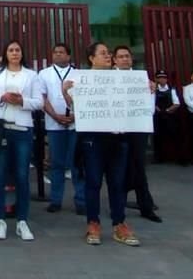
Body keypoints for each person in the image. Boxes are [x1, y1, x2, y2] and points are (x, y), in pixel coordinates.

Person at [61, 42, 140, 246]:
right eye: (103, 53)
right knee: (93, 182)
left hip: (118, 137)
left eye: (109, 53)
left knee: (118, 183)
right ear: (91, 58)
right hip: (93, 139)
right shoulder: (80, 79)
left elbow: (135, 100)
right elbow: (72, 104)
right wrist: (65, 92)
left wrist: (146, 89)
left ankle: (119, 224)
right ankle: (93, 223)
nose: (108, 56)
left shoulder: (123, 78)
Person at [0, 40, 43, 241]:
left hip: (22, 130)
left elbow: (39, 102)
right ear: (5, 53)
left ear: (22, 53)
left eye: (17, 50)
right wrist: (2, 97)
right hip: (0, 129)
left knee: (21, 175)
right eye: (10, 50)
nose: (14, 53)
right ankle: (0, 220)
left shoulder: (32, 75)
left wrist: (22, 101)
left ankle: (22, 221)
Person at [113, 46, 160, 223]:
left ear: (131, 59)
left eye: (127, 56)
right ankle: (118, 206)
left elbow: (149, 108)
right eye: (120, 57)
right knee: (118, 168)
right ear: (115, 61)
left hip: (138, 128)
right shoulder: (108, 79)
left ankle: (146, 206)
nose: (124, 59)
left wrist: (151, 91)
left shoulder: (143, 80)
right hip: (117, 129)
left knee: (139, 167)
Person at [38, 42, 85, 214]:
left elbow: (84, 98)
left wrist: (76, 115)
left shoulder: (78, 74)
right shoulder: (44, 74)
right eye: (55, 52)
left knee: (77, 163)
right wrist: (55, 116)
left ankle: (81, 201)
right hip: (54, 123)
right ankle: (55, 200)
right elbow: (42, 98)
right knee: (56, 163)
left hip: (75, 124)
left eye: (61, 52)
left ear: (69, 55)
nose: (58, 55)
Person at [152, 70, 180, 164]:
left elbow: (176, 103)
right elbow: (151, 102)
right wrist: (157, 109)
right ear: (156, 79)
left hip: (170, 116)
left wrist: (167, 110)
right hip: (158, 116)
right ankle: (159, 158)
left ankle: (178, 157)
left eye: (164, 77)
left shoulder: (172, 89)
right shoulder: (154, 90)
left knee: (174, 136)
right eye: (160, 77)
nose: (162, 79)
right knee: (158, 137)